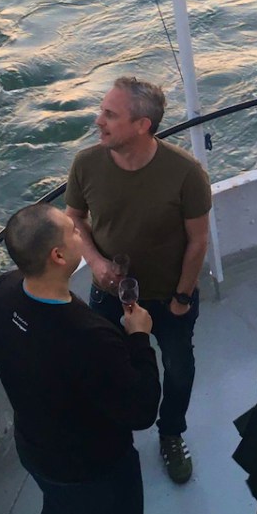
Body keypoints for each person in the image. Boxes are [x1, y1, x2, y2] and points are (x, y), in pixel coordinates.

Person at [0, 203, 160, 514]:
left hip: (38, 454)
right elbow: (141, 410)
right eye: (72, 232)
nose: (79, 232)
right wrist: (139, 336)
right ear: (57, 256)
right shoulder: (90, 335)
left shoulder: (5, 289)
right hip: (95, 472)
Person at [64, 76, 212, 484]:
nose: (99, 121)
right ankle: (112, 435)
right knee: (104, 365)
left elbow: (198, 241)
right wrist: (94, 261)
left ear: (142, 125)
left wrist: (182, 298)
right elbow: (75, 220)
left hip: (170, 297)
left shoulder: (185, 173)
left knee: (179, 368)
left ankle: (171, 433)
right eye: (102, 111)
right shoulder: (86, 164)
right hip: (109, 293)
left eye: (110, 115)